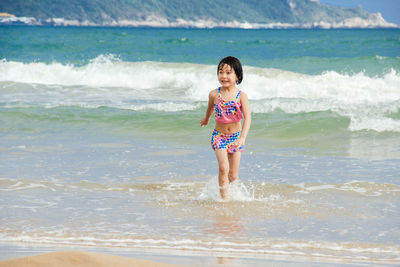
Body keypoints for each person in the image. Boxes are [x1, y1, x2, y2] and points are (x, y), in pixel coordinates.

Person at [200, 56, 251, 199]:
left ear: (237, 76)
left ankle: (234, 195)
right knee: (223, 168)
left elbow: (248, 118)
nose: (224, 76)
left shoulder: (242, 96)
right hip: (219, 137)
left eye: (228, 73)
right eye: (221, 72)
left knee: (233, 175)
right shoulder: (214, 94)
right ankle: (224, 200)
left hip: (236, 138)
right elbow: (210, 108)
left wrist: (242, 138)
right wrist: (206, 119)